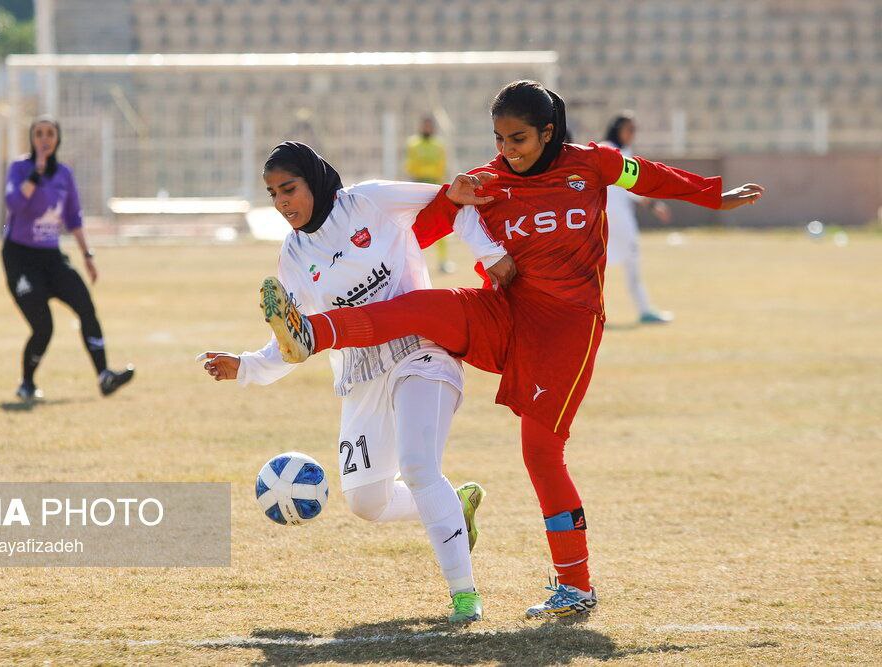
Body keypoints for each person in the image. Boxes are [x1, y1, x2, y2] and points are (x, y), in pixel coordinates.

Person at [259, 82, 764, 618]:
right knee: (422, 305)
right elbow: (424, 231)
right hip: (503, 312)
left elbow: (646, 174)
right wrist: (460, 211)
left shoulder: (591, 164)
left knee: (540, 452)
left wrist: (711, 194)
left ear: (549, 132)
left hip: (566, 329)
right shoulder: (490, 181)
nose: (507, 149)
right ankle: (314, 332)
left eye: (519, 138)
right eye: (499, 138)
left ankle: (575, 585)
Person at [197, 142, 512, 623]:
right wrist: (245, 366)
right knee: (367, 501)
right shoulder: (294, 256)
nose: (282, 202)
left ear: (314, 182)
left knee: (418, 466)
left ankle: (464, 594)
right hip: (361, 372)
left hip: (421, 349)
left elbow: (454, 201)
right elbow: (296, 338)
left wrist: (491, 254)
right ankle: (455, 504)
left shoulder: (369, 201)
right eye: (273, 194)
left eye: (290, 188)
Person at [2, 115, 134, 401]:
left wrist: (87, 255)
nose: (44, 139)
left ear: (57, 139)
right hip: (20, 258)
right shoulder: (19, 168)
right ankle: (26, 383)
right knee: (43, 326)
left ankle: (104, 376)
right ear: (32, 138)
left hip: (51, 257)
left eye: (50, 133)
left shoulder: (64, 174)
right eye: (39, 133)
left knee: (86, 307)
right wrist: (35, 175)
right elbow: (14, 204)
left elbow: (73, 217)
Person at [603, 112, 675, 324]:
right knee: (626, 259)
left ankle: (644, 308)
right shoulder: (607, 149)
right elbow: (625, 185)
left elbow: (630, 187)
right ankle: (643, 309)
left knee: (617, 261)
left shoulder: (624, 151)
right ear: (618, 129)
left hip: (617, 215)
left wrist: (653, 204)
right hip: (614, 217)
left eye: (634, 130)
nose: (632, 134)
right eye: (629, 129)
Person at [405, 115, 454, 274]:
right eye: (424, 125)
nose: (426, 128)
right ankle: (411, 263)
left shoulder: (439, 144)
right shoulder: (413, 143)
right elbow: (411, 165)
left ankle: (443, 261)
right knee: (411, 225)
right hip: (417, 185)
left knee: (440, 223)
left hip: (434, 186)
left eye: (429, 125)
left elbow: (442, 165)